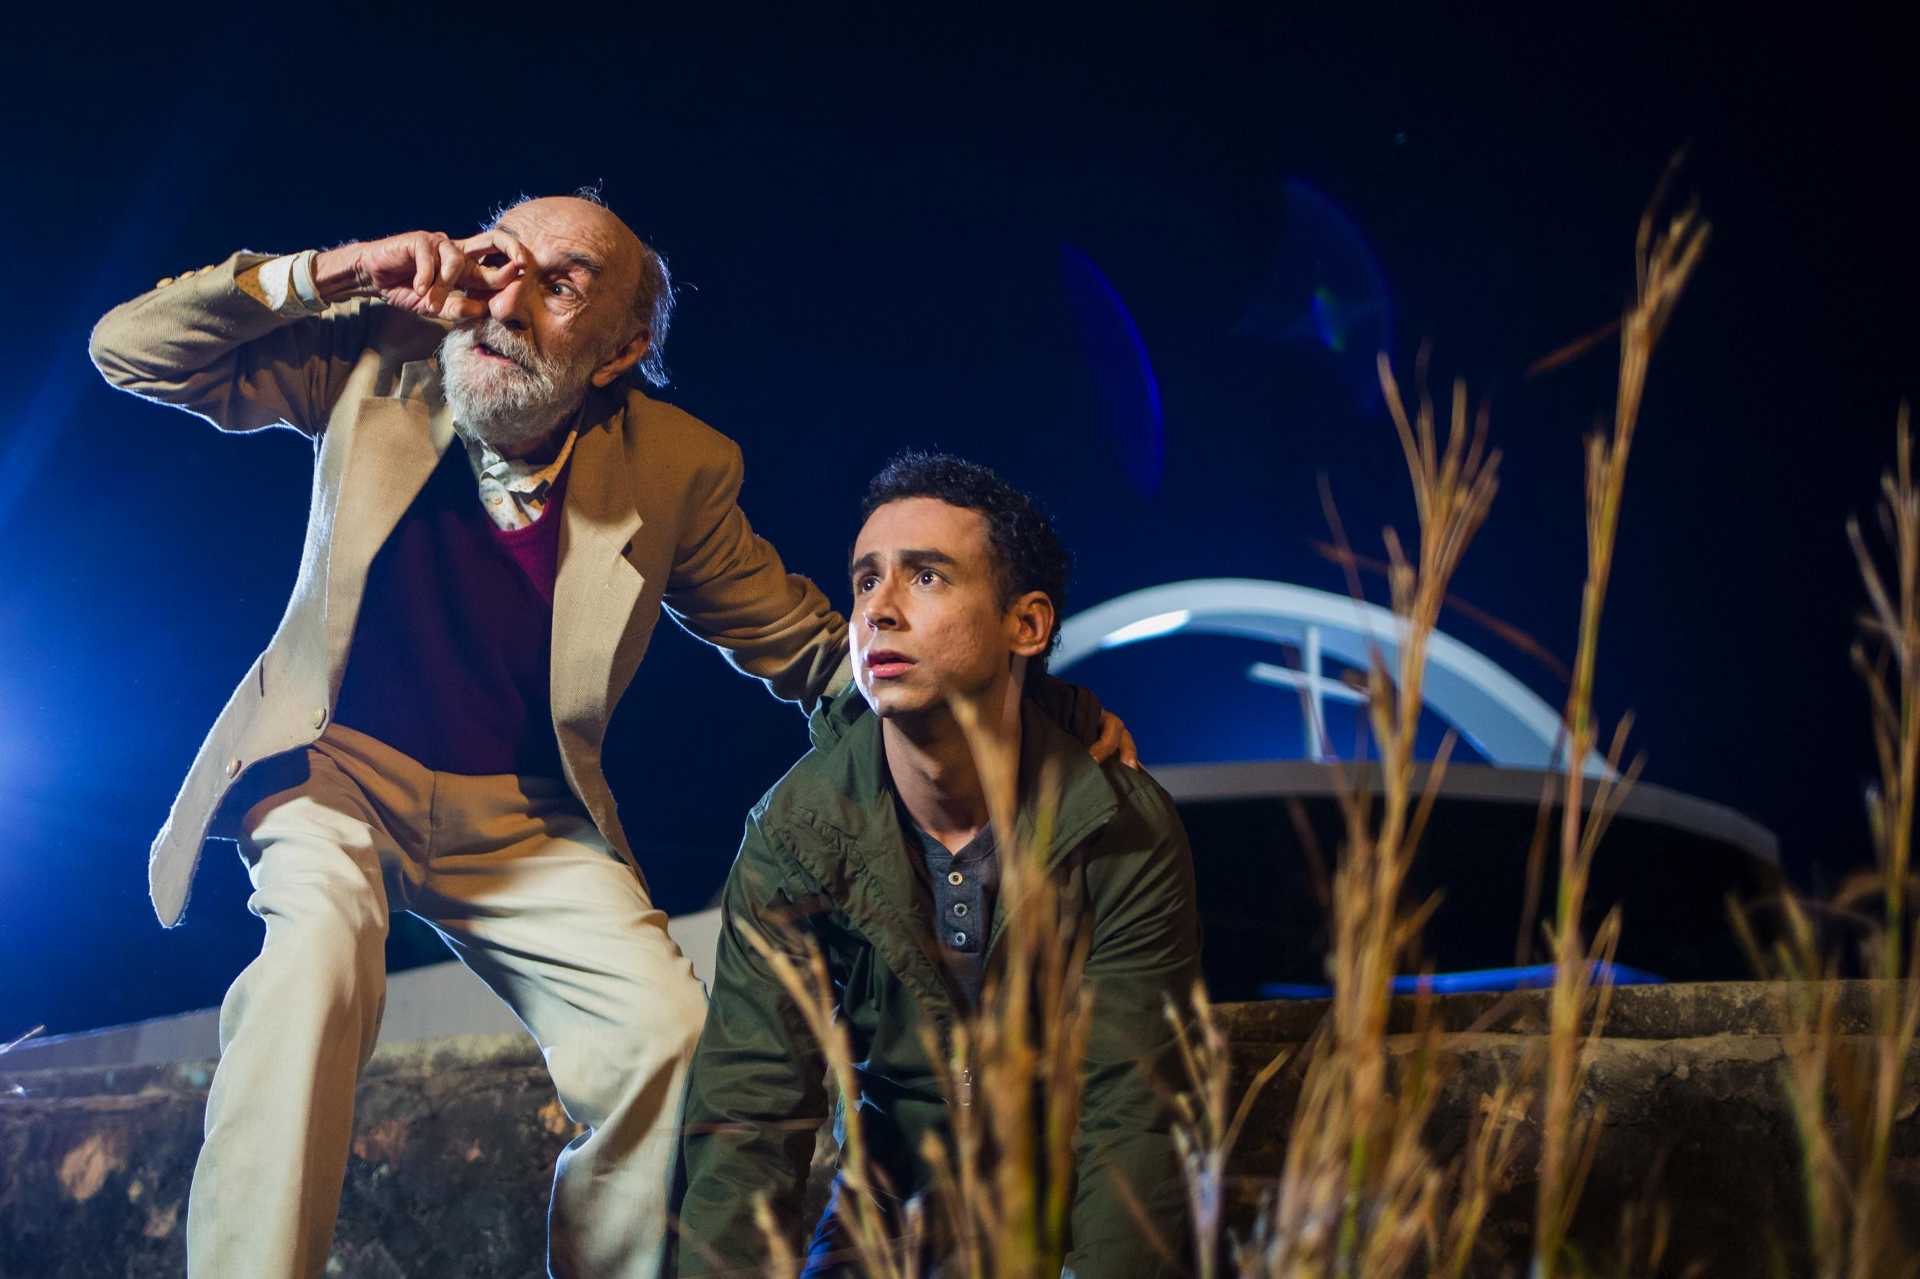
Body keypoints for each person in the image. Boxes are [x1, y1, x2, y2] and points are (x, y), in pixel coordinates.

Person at [89, 194, 1130, 1279]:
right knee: (309, 965)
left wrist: (1036, 720)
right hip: (333, 774)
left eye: (561, 284)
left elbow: (814, 651)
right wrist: (333, 272)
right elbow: (130, 351)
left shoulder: (674, 467)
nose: (506, 301)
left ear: (623, 349)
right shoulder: (379, 354)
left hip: (521, 817)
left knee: (667, 1043)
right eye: (499, 261)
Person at [675, 452, 1199, 1278]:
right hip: (888, 1226)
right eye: (865, 579)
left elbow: (1131, 1121)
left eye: (926, 577)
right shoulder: (795, 837)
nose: (878, 609)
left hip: (1062, 1229)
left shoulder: (1119, 827)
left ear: (1026, 625)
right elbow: (747, 1122)